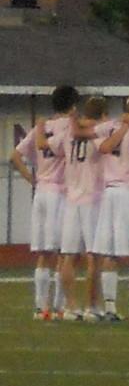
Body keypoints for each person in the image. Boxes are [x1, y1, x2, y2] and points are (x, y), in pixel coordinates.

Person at [10, 85, 78, 319]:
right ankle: (58, 306)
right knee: (62, 251)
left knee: (42, 252)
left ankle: (40, 307)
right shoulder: (70, 126)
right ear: (73, 105)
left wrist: (33, 180)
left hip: (41, 192)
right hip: (60, 193)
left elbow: (15, 156)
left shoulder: (43, 126)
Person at [37, 96, 107, 320]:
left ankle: (70, 307)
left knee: (68, 255)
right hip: (92, 198)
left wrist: (40, 127)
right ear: (103, 114)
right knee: (93, 256)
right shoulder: (101, 130)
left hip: (71, 199)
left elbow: (43, 145)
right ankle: (91, 307)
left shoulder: (68, 132)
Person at [91, 93, 129, 321]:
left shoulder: (107, 127)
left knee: (110, 252)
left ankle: (110, 306)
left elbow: (96, 138)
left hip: (109, 192)